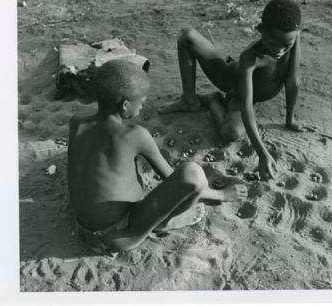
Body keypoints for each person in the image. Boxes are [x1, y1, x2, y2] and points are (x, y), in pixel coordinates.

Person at [68, 59, 247, 253]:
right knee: (193, 173)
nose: (142, 108)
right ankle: (165, 222)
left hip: (83, 227)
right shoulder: (134, 135)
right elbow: (177, 181)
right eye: (141, 103)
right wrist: (221, 195)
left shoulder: (77, 122)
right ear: (125, 105)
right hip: (120, 234)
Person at [159, 0, 307, 179]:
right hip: (232, 82)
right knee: (231, 132)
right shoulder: (251, 57)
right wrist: (262, 152)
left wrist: (289, 120)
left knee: (233, 130)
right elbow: (246, 106)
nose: (280, 50)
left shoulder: (292, 36)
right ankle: (198, 100)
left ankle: (211, 99)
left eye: (286, 45)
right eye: (273, 43)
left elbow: (293, 80)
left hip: (244, 78)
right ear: (260, 30)